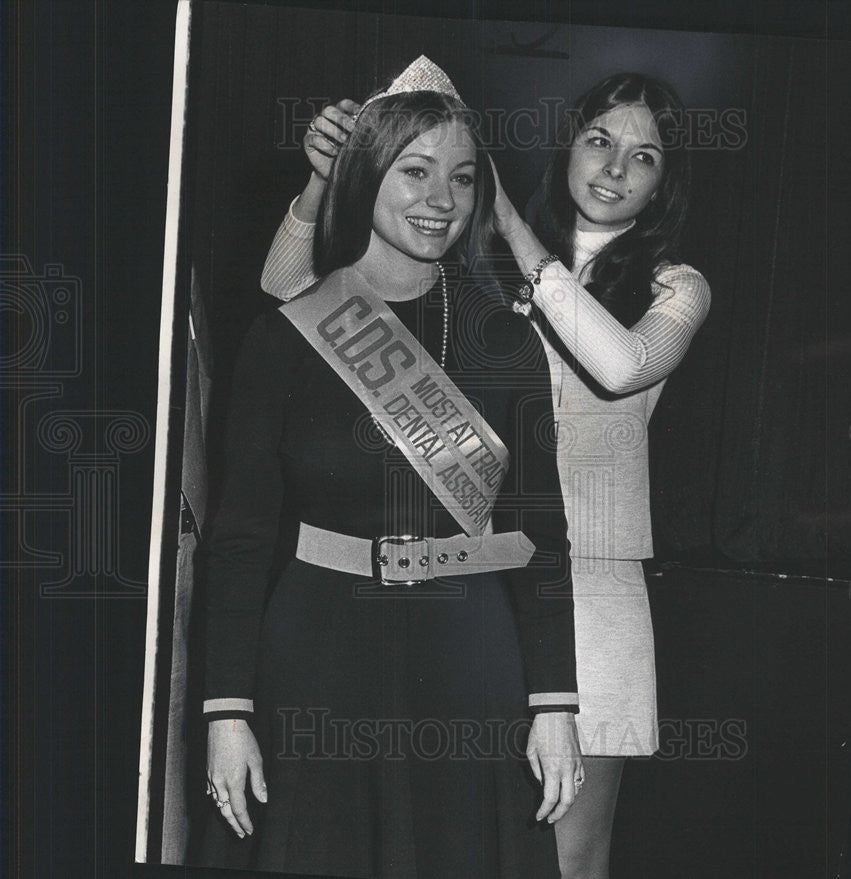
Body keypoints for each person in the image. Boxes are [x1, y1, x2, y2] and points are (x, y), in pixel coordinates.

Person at [260, 71, 711, 879]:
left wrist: (506, 220)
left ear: (664, 183)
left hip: (593, 591)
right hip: (484, 587)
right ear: (566, 142)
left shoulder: (675, 286)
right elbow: (289, 291)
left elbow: (620, 363)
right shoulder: (472, 259)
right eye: (600, 141)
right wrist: (331, 173)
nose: (614, 168)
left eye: (644, 158)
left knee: (567, 856)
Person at [199, 58, 583, 878]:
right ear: (366, 173)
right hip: (316, 651)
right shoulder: (287, 337)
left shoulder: (506, 340)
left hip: (469, 650)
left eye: (462, 177)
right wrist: (226, 708)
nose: (441, 199)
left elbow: (540, 533)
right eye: (414, 171)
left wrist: (556, 701)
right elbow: (236, 538)